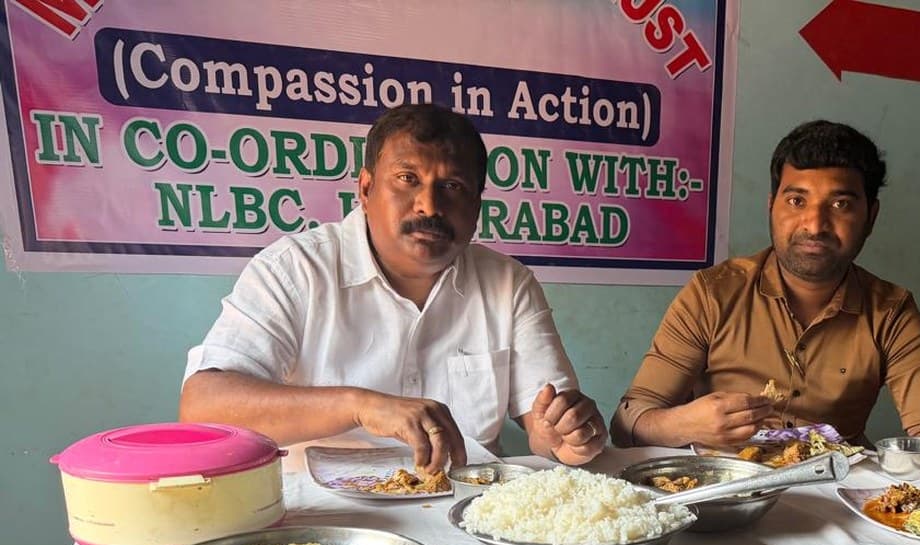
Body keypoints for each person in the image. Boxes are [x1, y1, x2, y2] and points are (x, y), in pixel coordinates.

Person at [181, 103, 605, 473]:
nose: (429, 206)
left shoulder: (508, 284)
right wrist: (360, 406)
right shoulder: (295, 269)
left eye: (452, 187)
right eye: (407, 178)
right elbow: (204, 407)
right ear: (365, 190)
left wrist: (568, 439)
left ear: (477, 205)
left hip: (469, 514)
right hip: (322, 527)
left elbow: (545, 428)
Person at [610, 120, 920, 461]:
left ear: (871, 216)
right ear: (771, 206)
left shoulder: (891, 312)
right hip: (722, 490)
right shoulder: (713, 293)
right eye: (797, 201)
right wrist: (684, 424)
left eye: (840, 204)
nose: (815, 224)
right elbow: (627, 424)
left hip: (833, 498)